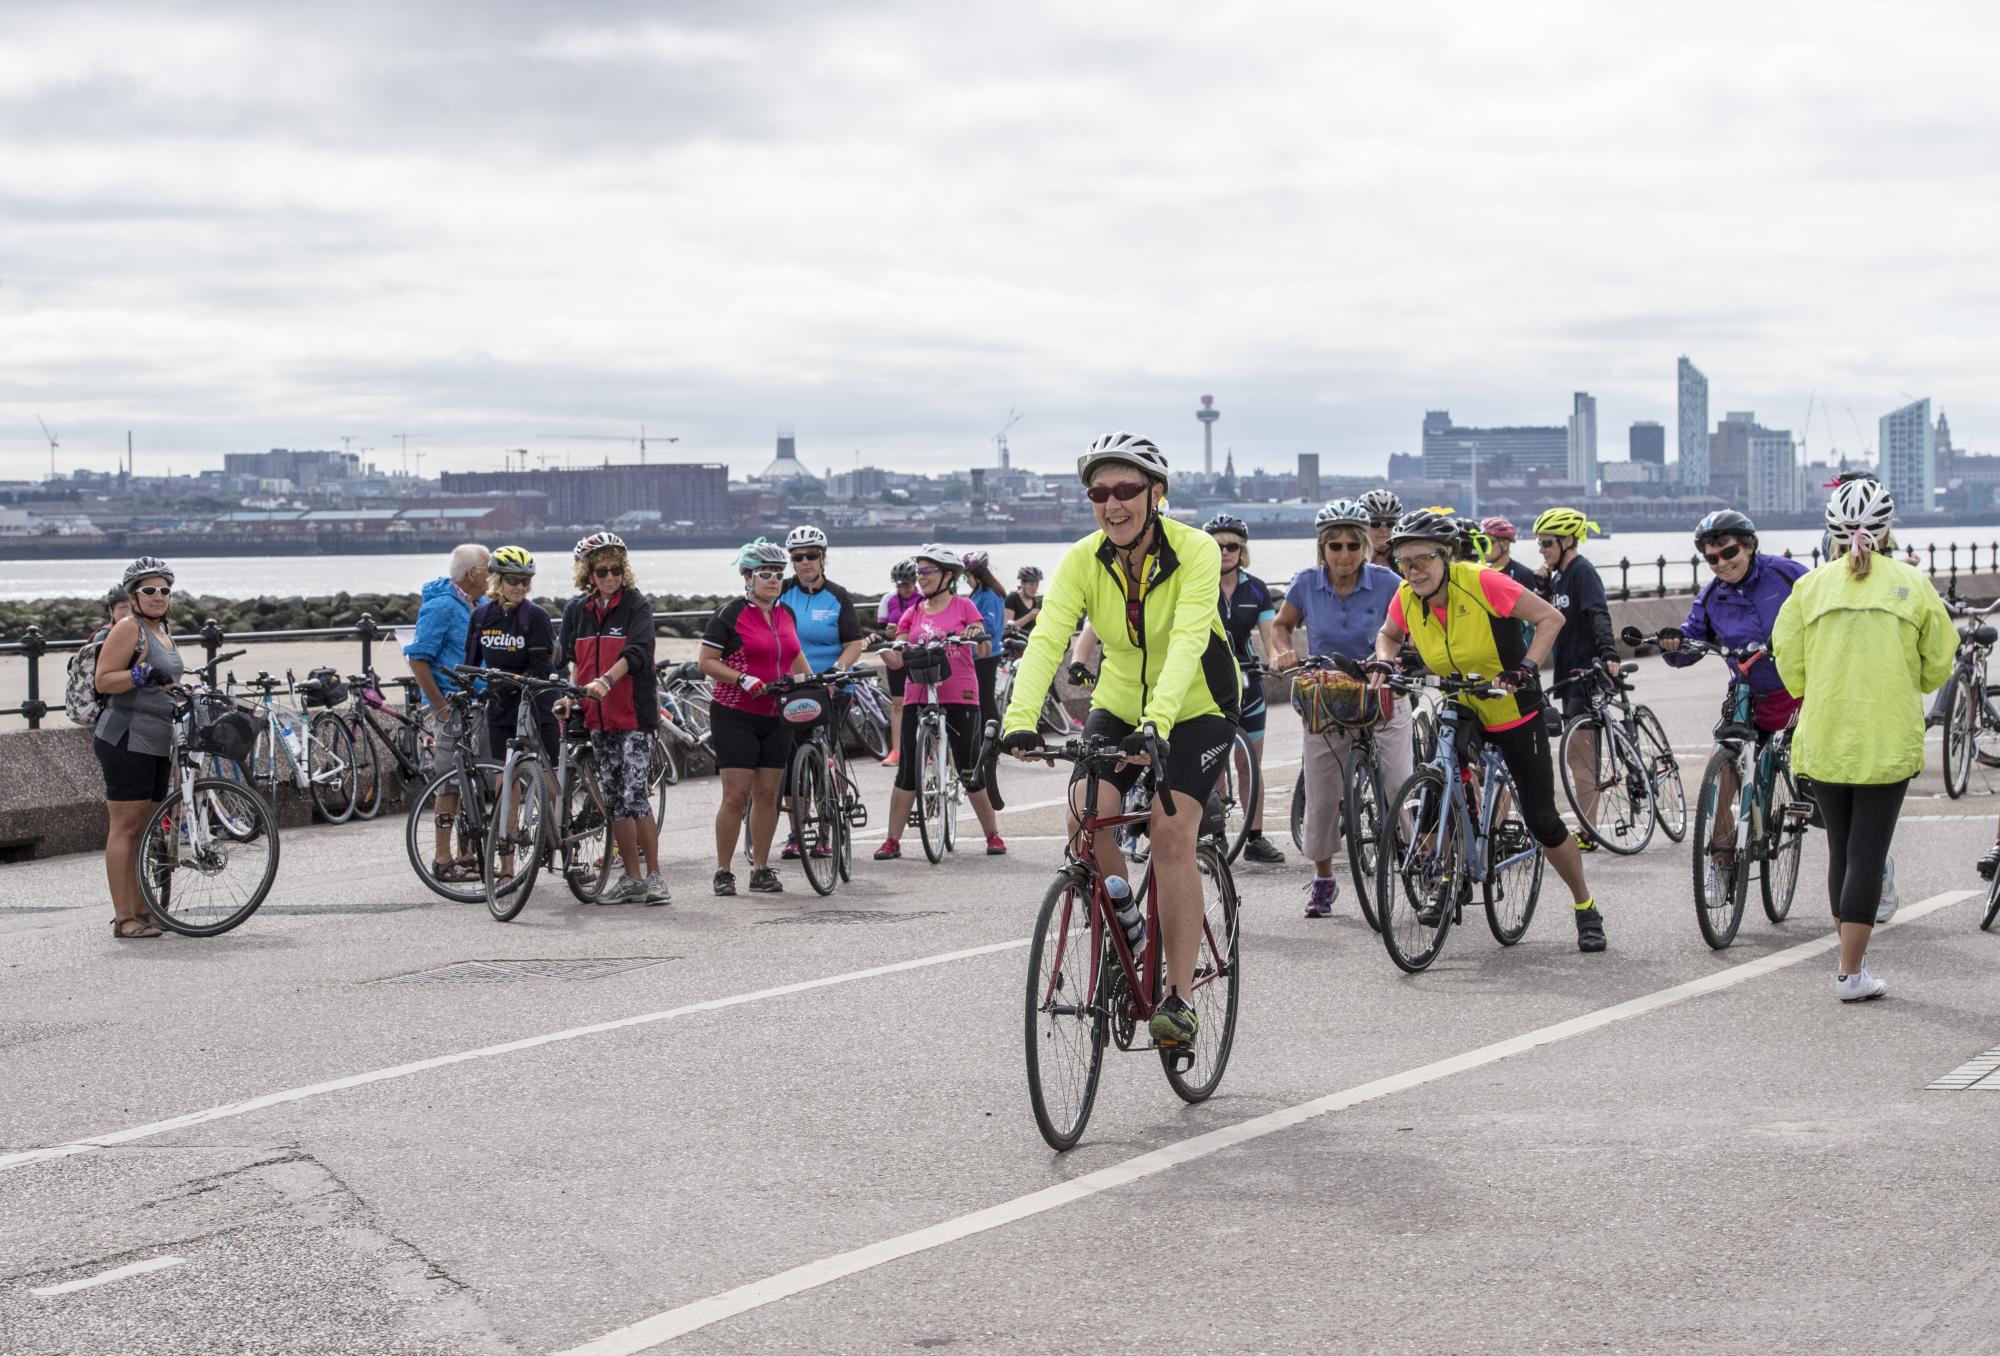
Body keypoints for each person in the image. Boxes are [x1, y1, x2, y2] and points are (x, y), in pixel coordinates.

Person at [1001, 432, 1241, 1050]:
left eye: (1127, 489)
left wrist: (1159, 724)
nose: (1113, 503)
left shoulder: (1193, 551)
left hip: (1198, 706)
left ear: (1154, 494)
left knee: (1169, 833)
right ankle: (1126, 922)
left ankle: (1179, 1000)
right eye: (1099, 492)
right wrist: (1016, 720)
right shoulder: (1083, 558)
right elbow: (1049, 638)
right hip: (1118, 700)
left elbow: (1189, 639)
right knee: (1085, 817)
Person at [1369, 509, 1608, 952]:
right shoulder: (1406, 595)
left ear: (1446, 556)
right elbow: (1387, 633)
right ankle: (1450, 875)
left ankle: (1585, 905)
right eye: (1404, 561)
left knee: (1543, 821)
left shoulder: (1482, 582)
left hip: (1512, 709)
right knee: (1438, 788)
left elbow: (1550, 619)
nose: (1413, 570)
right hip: (1461, 703)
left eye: (1422, 559)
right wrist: (1385, 657)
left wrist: (1526, 668)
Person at [1773, 479, 1955, 1001]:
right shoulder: (1912, 584)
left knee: (1841, 850)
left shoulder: (1810, 587)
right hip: (1884, 737)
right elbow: (1938, 661)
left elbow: (1789, 658)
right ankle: (1850, 973)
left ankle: (1853, 961)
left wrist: (1815, 689)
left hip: (1826, 733)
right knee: (1869, 853)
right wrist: (1908, 680)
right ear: (1888, 528)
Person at [1271, 500, 1413, 912]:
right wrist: (1282, 652)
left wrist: (1404, 656)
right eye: (1336, 547)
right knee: (1321, 795)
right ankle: (1324, 878)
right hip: (1327, 700)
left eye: (1354, 545)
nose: (1345, 555)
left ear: (1367, 545)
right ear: (1322, 548)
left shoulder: (1389, 582)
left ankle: (1417, 856)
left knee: (1398, 782)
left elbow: (1412, 625)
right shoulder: (1305, 583)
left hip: (1382, 694)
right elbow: (1281, 626)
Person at [875, 545, 1006, 859]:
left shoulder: (964, 607)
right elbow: (897, 659)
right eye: (919, 572)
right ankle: (892, 840)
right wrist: (887, 649)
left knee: (967, 766)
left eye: (927, 571)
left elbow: (984, 646)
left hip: (959, 693)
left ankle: (993, 834)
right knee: (907, 770)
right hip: (917, 693)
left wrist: (976, 634)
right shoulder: (914, 612)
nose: (921, 578)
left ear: (949, 576)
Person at [561, 531, 667, 905]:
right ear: (588, 574)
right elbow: (568, 659)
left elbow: (638, 652)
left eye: (616, 570)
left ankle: (655, 877)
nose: (610, 577)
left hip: (633, 715)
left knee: (635, 795)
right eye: (602, 570)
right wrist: (568, 695)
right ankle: (631, 879)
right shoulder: (577, 611)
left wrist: (607, 679)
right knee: (614, 800)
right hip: (597, 718)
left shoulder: (637, 606)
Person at [701, 539, 808, 895]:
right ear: (747, 576)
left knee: (767, 794)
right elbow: (706, 663)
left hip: (777, 713)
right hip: (735, 713)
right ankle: (723, 870)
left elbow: (795, 657)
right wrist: (742, 678)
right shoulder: (729, 615)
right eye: (766, 574)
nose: (774, 580)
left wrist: (812, 685)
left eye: (779, 574)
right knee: (735, 795)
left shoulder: (785, 613)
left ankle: (761, 868)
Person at [93, 557, 184, 939]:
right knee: (126, 826)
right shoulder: (128, 629)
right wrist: (139, 673)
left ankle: (144, 908)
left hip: (157, 737)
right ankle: (124, 917)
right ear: (133, 595)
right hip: (126, 736)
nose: (158, 596)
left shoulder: (161, 630)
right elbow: (103, 680)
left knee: (146, 827)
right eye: (150, 590)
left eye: (165, 590)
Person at [1530, 507, 1621, 851]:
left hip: (1586, 673)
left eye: (1548, 543)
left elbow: (1598, 612)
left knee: (1580, 756)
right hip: (1567, 675)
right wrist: (1542, 587)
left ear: (1568, 540)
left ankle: (1588, 831)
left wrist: (1609, 652)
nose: (1543, 550)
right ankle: (1589, 824)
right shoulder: (1558, 577)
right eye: (1540, 544)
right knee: (1575, 755)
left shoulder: (1583, 572)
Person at [467, 546, 560, 879]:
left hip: (536, 704)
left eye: (525, 581)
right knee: (504, 787)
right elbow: (472, 664)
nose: (520, 587)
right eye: (513, 581)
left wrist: (507, 684)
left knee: (550, 786)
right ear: (497, 580)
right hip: (501, 709)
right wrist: (466, 691)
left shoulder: (535, 616)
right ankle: (507, 868)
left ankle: (563, 843)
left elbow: (540, 665)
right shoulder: (481, 616)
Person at [777, 525, 865, 860]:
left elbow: (854, 643)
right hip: (793, 686)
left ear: (823, 557)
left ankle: (827, 827)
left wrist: (837, 670)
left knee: (824, 756)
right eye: (798, 557)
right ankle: (798, 831)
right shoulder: (782, 593)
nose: (805, 562)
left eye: (811, 555)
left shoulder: (838, 596)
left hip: (831, 687)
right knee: (791, 759)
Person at [405, 543, 490, 884]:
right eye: (489, 571)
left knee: (473, 780)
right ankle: (443, 859)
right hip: (451, 705)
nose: (493, 577)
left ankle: (467, 854)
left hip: (477, 703)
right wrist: (440, 707)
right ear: (472, 574)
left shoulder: (479, 603)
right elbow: (418, 657)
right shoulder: (442, 606)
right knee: (450, 783)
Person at [1204, 512, 1285, 865]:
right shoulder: (1197, 584)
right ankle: (1217, 835)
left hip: (1249, 683)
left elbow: (1270, 638)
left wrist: (1276, 658)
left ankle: (1255, 837)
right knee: (1214, 762)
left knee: (1249, 765)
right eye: (1218, 545)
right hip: (1209, 685)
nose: (1225, 551)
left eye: (1232, 546)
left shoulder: (1256, 589)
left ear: (1242, 550)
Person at [963, 550, 1010, 809]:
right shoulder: (980, 593)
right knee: (983, 700)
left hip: (987, 654)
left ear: (975, 574)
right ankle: (988, 742)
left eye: (967, 576)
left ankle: (992, 743)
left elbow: (989, 628)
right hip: (979, 655)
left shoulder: (989, 595)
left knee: (986, 701)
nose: (966, 581)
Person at [876, 559, 920, 768]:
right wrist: (888, 632)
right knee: (898, 703)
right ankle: (897, 750)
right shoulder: (888, 599)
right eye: (899, 585)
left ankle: (923, 747)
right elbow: (880, 629)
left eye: (907, 585)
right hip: (897, 656)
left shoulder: (922, 598)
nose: (903, 589)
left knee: (922, 702)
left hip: (918, 654)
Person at [1482, 518, 1538, 590]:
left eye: (1489, 542)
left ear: (1505, 544)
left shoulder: (1523, 574)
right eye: (1482, 542)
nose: (1483, 547)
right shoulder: (1479, 571)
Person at [1358, 488, 1403, 569]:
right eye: (1375, 524)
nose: (1384, 530)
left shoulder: (1405, 560)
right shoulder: (1352, 563)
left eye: (1390, 524)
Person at [1006, 565, 1044, 633]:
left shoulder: (1035, 601)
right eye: (1031, 584)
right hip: (1013, 640)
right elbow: (1006, 629)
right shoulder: (1012, 598)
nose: (1034, 588)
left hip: (1029, 640)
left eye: (1037, 584)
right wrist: (1029, 617)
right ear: (1022, 584)